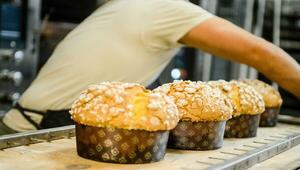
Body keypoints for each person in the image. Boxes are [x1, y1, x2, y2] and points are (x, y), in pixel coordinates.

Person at [1, 0, 300, 134]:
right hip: (43, 132)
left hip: (24, 123)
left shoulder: (128, 4)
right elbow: (261, 53)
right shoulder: (167, 8)